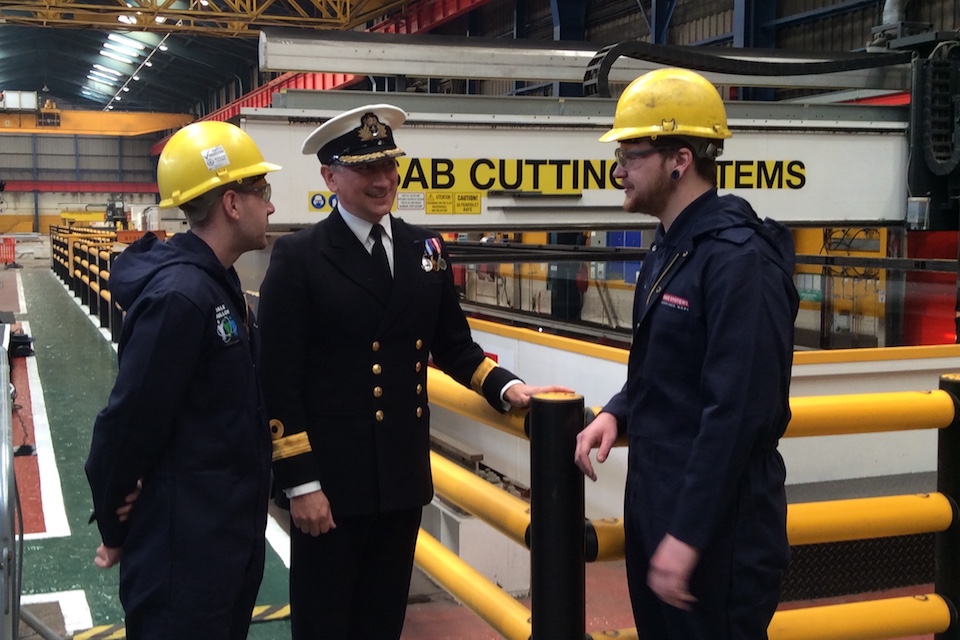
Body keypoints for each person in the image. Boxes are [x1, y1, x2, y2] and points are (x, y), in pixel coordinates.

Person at [258, 103, 570, 640]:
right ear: (330, 176)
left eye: (389, 166)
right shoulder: (299, 257)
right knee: (326, 625)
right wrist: (300, 484)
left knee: (382, 623)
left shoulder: (423, 248)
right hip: (331, 486)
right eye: (365, 169)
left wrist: (508, 387)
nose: (383, 181)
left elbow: (455, 346)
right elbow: (277, 380)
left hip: (400, 480)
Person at [574, 68, 799, 640]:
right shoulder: (672, 249)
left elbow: (738, 413)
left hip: (719, 536)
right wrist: (617, 411)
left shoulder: (739, 262)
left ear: (679, 158)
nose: (618, 170)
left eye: (630, 154)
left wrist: (688, 536)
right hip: (661, 512)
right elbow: (663, 363)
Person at [84, 121, 280, 640]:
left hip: (222, 546)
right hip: (184, 561)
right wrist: (114, 521)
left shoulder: (220, 284)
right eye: (263, 192)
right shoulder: (181, 298)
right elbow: (124, 427)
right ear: (232, 204)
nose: (272, 207)